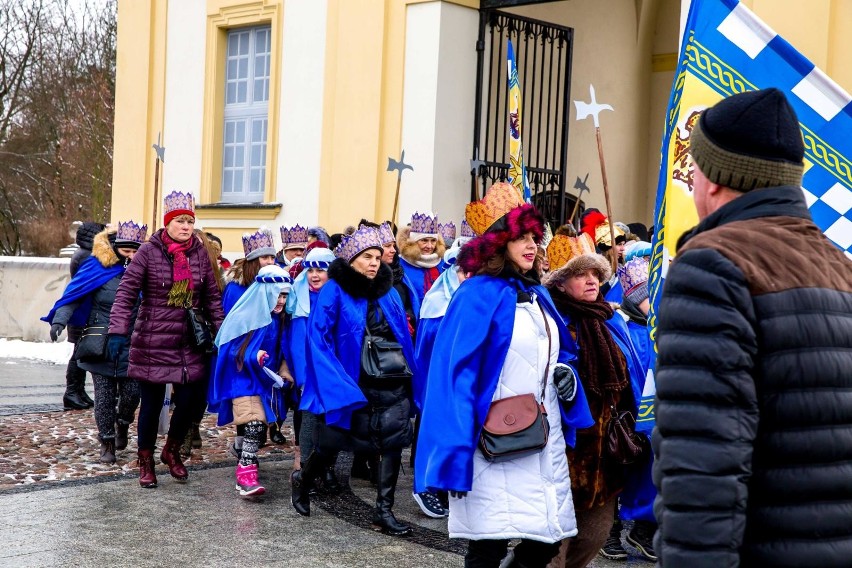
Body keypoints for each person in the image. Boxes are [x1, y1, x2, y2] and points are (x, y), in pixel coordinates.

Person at [653, 88, 852, 566]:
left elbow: (702, 471)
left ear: (716, 179)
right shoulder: (841, 268)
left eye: (693, 169)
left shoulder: (711, 266)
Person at [415, 182, 592, 568]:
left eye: (535, 236)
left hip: (543, 438)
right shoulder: (476, 294)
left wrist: (568, 378)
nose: (532, 245)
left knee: (546, 541)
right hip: (493, 442)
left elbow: (561, 355)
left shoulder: (538, 295)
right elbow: (455, 375)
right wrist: (455, 450)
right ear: (499, 243)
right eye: (521, 237)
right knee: (488, 546)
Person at [291, 225, 418, 537]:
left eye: (378, 257)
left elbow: (402, 335)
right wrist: (335, 383)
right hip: (351, 379)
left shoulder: (388, 292)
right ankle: (303, 480)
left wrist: (413, 376)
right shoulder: (334, 290)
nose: (375, 262)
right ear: (351, 260)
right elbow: (318, 339)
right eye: (367, 257)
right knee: (330, 444)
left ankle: (383, 511)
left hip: (390, 380)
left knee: (392, 443)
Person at [541, 231, 646, 568]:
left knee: (593, 537)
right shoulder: (548, 323)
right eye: (579, 274)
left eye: (595, 274)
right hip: (562, 450)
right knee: (551, 547)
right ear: (559, 283)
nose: (591, 281)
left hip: (606, 452)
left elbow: (632, 376)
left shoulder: (611, 320)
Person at [108, 191, 225, 488]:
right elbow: (126, 292)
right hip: (154, 338)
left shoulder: (199, 252)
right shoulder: (149, 251)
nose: (185, 226)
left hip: (189, 339)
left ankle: (171, 451)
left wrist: (222, 332)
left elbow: (211, 296)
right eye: (180, 221)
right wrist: (118, 330)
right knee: (151, 403)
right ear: (168, 223)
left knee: (189, 402)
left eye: (190, 221)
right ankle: (145, 459)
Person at [43, 221, 147, 463]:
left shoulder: (144, 272)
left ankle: (123, 423)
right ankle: (107, 441)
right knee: (104, 395)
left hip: (133, 342)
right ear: (116, 248)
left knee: (132, 393)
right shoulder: (97, 266)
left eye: (135, 252)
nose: (130, 257)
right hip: (100, 341)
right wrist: (60, 320)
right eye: (126, 252)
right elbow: (73, 295)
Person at [209, 264, 294, 497]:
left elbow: (284, 349)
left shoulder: (282, 319)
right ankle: (246, 474)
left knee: (258, 426)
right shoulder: (245, 315)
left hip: (266, 380)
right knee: (255, 422)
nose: (281, 300)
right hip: (243, 379)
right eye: (277, 294)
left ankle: (244, 454)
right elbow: (229, 347)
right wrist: (251, 355)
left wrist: (285, 370)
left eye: (285, 295)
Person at [598, 257, 656, 562]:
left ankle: (644, 528)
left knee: (651, 470)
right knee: (616, 469)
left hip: (653, 414)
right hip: (621, 414)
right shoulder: (614, 326)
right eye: (647, 298)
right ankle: (610, 529)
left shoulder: (659, 329)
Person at [409, 241, 472, 519]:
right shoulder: (437, 304)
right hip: (439, 382)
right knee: (436, 433)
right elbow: (425, 352)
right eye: (463, 272)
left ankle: (449, 486)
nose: (468, 278)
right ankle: (426, 487)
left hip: (465, 382)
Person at [286, 246, 338, 489]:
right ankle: (308, 469)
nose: (315, 275)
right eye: (310, 270)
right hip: (310, 371)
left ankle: (327, 467)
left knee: (332, 421)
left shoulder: (337, 296)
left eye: (321, 270)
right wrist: (303, 375)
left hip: (332, 369)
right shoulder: (300, 299)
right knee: (309, 420)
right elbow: (297, 343)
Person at [60, 221, 105, 410]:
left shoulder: (83, 253)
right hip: (84, 311)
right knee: (79, 353)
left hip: (83, 310)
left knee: (80, 352)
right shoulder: (87, 255)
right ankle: (72, 392)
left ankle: (77, 391)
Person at [397, 211, 446, 306]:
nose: (429, 246)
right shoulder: (400, 265)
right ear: (413, 242)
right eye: (424, 240)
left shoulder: (443, 265)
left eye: (433, 241)